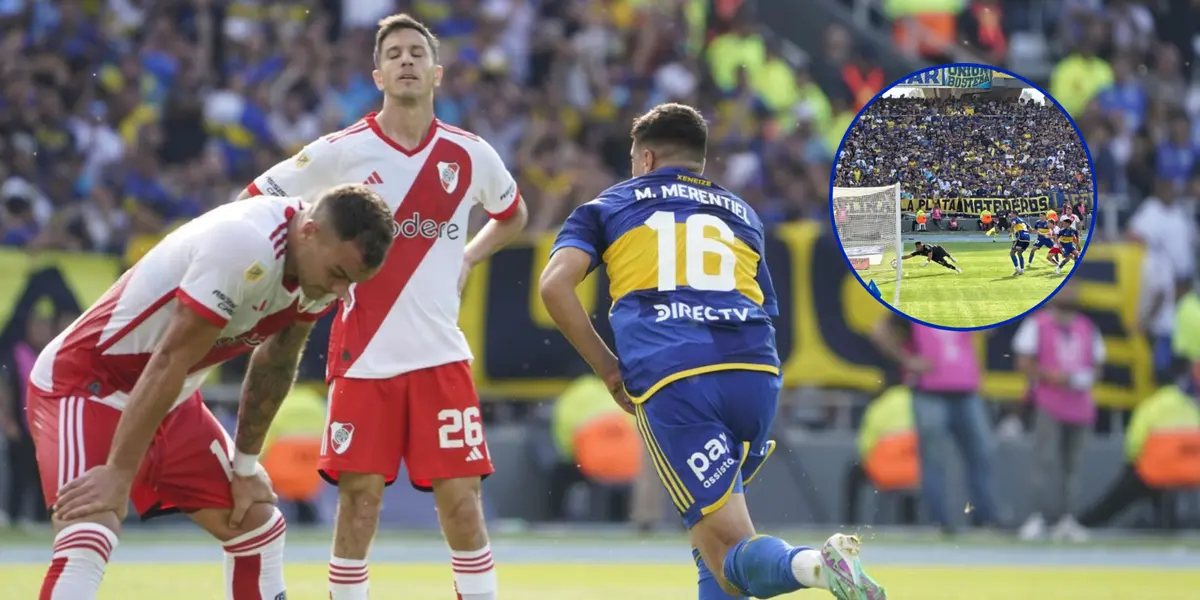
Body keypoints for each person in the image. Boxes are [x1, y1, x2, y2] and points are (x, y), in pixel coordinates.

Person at [539, 102, 886, 600]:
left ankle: (814, 565)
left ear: (646, 158)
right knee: (713, 547)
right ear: (700, 160)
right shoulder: (742, 213)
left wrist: (610, 370)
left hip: (675, 376)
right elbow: (763, 304)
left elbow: (555, 287)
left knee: (727, 551)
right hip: (755, 377)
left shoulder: (610, 204)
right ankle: (808, 565)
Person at [240, 14, 527, 600]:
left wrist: (470, 257)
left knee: (463, 509)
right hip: (364, 356)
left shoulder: (469, 155)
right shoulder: (343, 151)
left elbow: (513, 213)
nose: (406, 60)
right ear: (377, 73)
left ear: (437, 72)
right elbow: (255, 200)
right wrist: (310, 267)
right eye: (393, 53)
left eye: (417, 52)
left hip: (441, 358)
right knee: (360, 505)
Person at [28, 184, 394, 600]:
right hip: (88, 383)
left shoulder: (317, 272)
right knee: (91, 527)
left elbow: (274, 364)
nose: (341, 292)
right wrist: (118, 473)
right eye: (339, 275)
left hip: (171, 396)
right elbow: (168, 357)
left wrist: (245, 468)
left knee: (255, 523)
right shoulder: (244, 245)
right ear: (309, 231)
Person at [870, 317, 999, 534]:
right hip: (929, 390)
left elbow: (990, 326)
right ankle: (939, 522)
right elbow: (879, 330)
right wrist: (907, 359)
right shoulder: (914, 305)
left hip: (966, 390)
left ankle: (984, 519)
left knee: (982, 454)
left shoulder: (959, 302)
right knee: (934, 459)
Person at [1011, 284, 1104, 542]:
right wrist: (1049, 375)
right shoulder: (1038, 324)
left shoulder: (1086, 327)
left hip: (1079, 404)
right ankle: (1036, 517)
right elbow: (1023, 363)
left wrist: (1084, 378)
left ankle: (1067, 519)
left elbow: (1098, 364)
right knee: (1045, 461)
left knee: (1072, 466)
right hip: (1049, 402)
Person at [1007, 211, 1031, 276]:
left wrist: (1011, 232)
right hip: (1027, 239)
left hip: (1021, 238)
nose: (1010, 215)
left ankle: (1017, 269)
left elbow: (1013, 224)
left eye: (1011, 214)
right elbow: (1030, 229)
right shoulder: (1023, 221)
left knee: (1012, 253)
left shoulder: (1015, 219)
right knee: (1019, 253)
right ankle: (1022, 270)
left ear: (1014, 214)